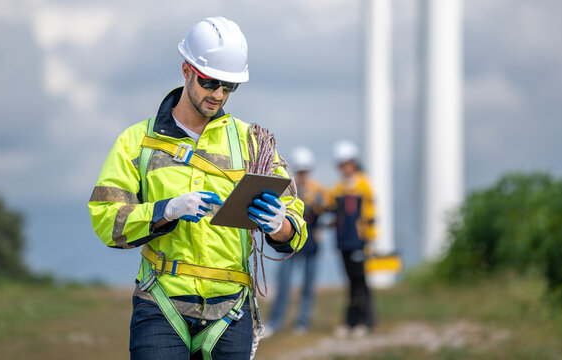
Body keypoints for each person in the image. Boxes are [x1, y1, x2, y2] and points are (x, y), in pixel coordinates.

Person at [88, 17, 307, 360]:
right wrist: (165, 211)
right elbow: (106, 218)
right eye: (210, 82)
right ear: (187, 71)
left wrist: (281, 225)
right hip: (161, 303)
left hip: (231, 311)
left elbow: (295, 217)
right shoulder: (137, 142)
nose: (218, 94)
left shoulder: (254, 142)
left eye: (229, 86)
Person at [264, 147, 327, 337]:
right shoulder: (289, 191)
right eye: (299, 171)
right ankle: (275, 322)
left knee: (308, 286)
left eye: (305, 171)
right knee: (283, 284)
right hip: (289, 246)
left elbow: (330, 209)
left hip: (311, 246)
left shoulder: (319, 191)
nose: (302, 175)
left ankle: (302, 322)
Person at [328, 140, 376, 338]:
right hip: (343, 242)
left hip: (358, 242)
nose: (343, 168)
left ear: (353, 163)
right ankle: (352, 322)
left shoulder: (364, 184)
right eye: (340, 164)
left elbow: (370, 214)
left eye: (346, 163)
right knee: (351, 283)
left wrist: (369, 240)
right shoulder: (339, 188)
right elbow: (328, 204)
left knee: (360, 282)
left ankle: (363, 322)